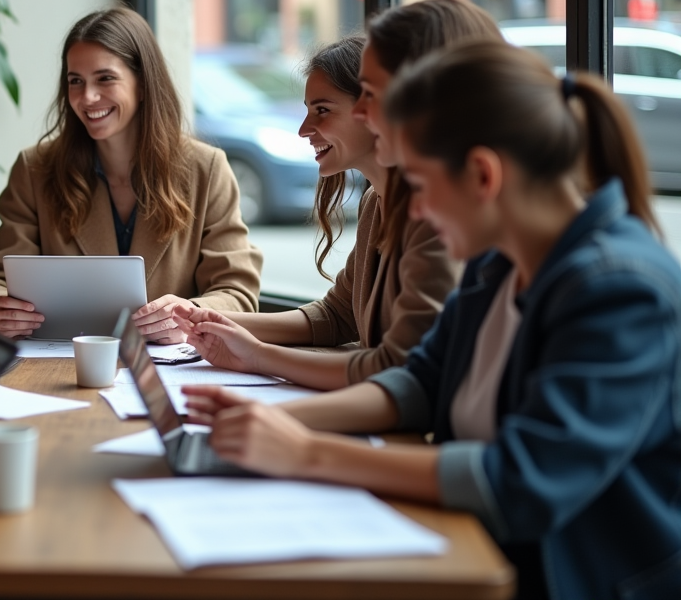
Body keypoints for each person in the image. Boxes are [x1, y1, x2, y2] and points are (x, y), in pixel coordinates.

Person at [183, 41, 681, 600]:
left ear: (483, 176)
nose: (412, 210)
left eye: (418, 186)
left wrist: (304, 451)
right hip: (474, 550)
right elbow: (419, 380)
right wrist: (275, 422)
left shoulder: (620, 288)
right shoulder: (497, 264)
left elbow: (522, 481)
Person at [175, 0, 501, 389]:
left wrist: (258, 357)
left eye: (324, 110)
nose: (303, 130)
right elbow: (338, 314)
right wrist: (205, 320)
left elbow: (402, 368)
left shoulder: (435, 213)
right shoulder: (375, 202)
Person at [0, 6, 262, 342]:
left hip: (168, 369)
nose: (87, 97)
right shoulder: (36, 168)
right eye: (75, 81)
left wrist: (187, 315)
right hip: (60, 362)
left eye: (105, 78)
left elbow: (237, 292)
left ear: (142, 83)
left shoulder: (207, 169)